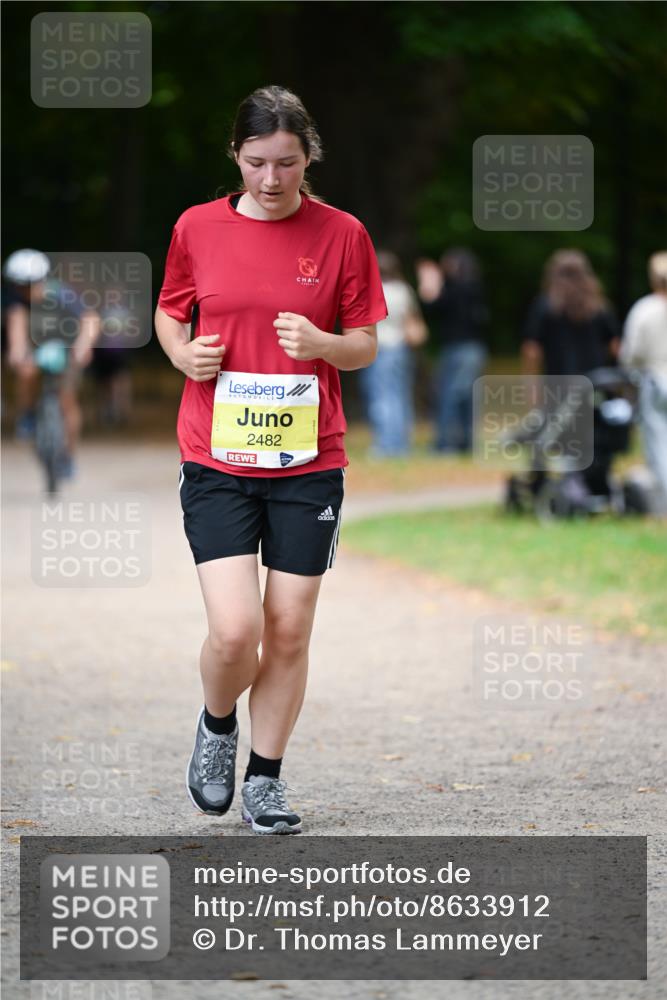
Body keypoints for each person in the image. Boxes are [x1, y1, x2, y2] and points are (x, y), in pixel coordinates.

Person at [154, 85, 387, 835]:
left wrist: (322, 346)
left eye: (286, 163)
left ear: (307, 157)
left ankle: (266, 780)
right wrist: (184, 353)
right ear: (236, 157)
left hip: (307, 460)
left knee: (287, 628)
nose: (270, 179)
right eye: (256, 163)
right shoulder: (196, 226)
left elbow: (364, 342)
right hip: (217, 456)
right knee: (233, 632)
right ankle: (217, 724)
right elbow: (169, 309)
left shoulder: (342, 233)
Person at [521, 249, 620, 498]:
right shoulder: (599, 308)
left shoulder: (545, 306)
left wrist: (532, 384)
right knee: (594, 433)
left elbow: (532, 349)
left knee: (550, 433)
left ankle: (546, 482)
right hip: (595, 386)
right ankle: (591, 480)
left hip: (558, 386)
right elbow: (616, 345)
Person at [2, 248, 99, 473]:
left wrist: (83, 346)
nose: (22, 290)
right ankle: (27, 414)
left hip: (67, 348)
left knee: (67, 401)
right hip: (38, 347)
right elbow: (17, 328)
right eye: (18, 284)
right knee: (26, 371)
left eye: (27, 284)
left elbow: (90, 319)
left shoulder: (62, 294)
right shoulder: (17, 302)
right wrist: (16, 352)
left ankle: (68, 456)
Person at [416, 248, 489, 453]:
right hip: (475, 349)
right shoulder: (475, 287)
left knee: (449, 395)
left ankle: (446, 443)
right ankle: (466, 442)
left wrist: (428, 283)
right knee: (466, 397)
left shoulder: (456, 289)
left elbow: (432, 305)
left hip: (457, 349)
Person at [358, 250, 427, 456]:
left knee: (381, 397)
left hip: (381, 348)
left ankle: (386, 444)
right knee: (400, 395)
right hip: (401, 348)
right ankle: (402, 442)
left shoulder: (374, 291)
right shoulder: (404, 290)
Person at [619, 251, 667, 514]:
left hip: (656, 382)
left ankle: (663, 506)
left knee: (658, 445)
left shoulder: (645, 309)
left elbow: (631, 353)